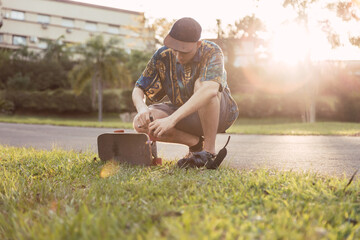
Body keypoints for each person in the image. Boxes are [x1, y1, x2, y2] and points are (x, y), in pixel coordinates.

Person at [132, 17, 239, 168]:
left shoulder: (212, 51)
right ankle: (196, 145)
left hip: (220, 113)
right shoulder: (162, 55)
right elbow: (138, 88)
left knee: (203, 86)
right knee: (140, 124)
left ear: (198, 44)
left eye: (185, 52)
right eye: (176, 50)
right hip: (185, 114)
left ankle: (208, 152)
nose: (179, 56)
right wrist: (142, 109)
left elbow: (210, 90)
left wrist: (172, 119)